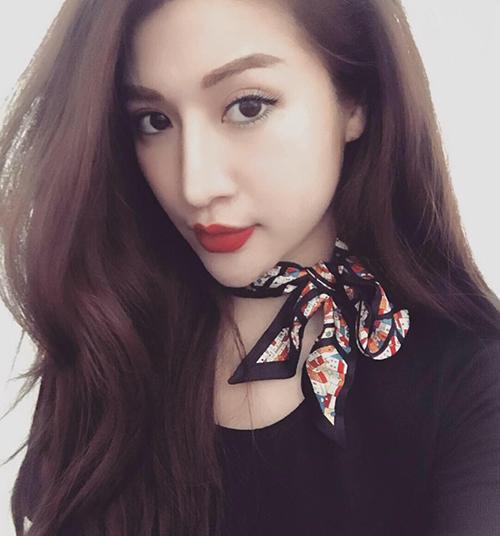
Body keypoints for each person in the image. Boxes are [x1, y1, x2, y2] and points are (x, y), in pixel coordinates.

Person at [1, 0, 499, 534]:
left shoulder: (469, 379)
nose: (195, 185)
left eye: (248, 107)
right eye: (154, 121)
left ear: (354, 98)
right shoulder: (108, 339)